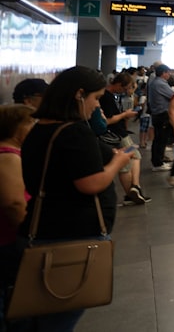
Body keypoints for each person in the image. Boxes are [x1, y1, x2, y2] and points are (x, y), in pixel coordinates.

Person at [17, 66, 132, 330]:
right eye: (95, 98)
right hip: (69, 237)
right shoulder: (74, 132)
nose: (96, 106)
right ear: (79, 95)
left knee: (38, 313)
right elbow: (90, 183)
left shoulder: (38, 129)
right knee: (58, 318)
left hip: (42, 228)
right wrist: (118, 163)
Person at [0, 105, 33, 331]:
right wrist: (28, 232)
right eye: (32, 124)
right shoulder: (8, 157)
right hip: (8, 241)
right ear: (17, 128)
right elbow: (13, 203)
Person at [100, 73, 148, 204]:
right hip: (118, 134)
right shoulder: (107, 97)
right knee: (130, 160)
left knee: (133, 156)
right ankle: (134, 189)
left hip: (119, 133)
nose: (126, 91)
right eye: (125, 88)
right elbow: (108, 120)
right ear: (118, 84)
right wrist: (125, 114)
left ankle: (133, 190)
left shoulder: (110, 96)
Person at [147, 64, 174, 171]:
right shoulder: (160, 84)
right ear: (163, 73)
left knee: (159, 139)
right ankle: (157, 164)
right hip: (162, 115)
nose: (169, 74)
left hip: (157, 114)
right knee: (160, 139)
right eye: (168, 72)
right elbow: (173, 96)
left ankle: (159, 159)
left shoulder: (156, 82)